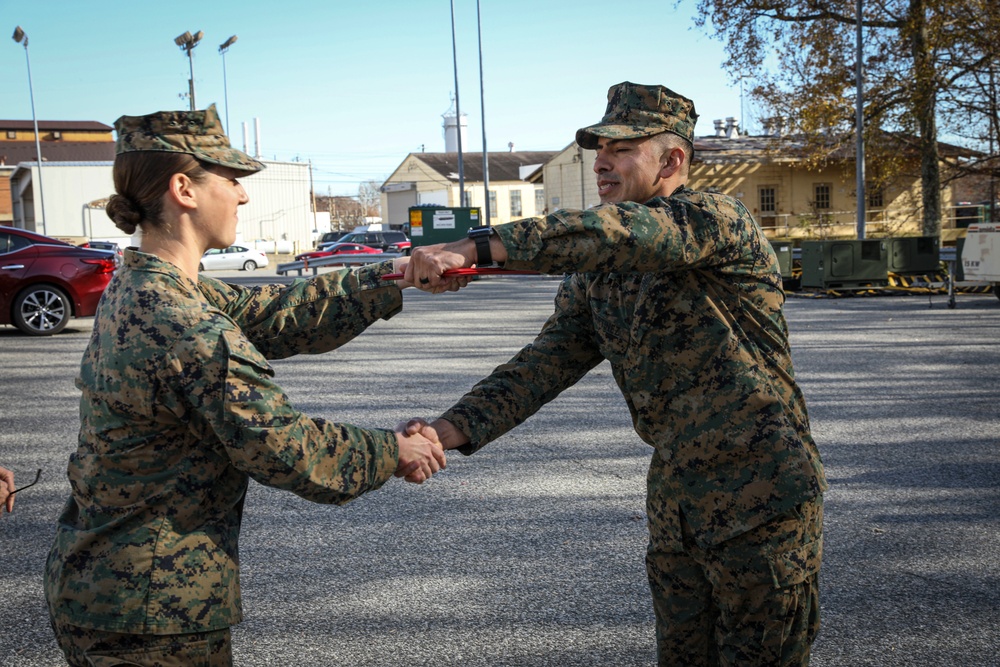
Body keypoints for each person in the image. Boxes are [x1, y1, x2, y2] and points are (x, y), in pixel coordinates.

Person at [405, 82, 827, 666]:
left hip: (762, 501)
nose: (601, 161)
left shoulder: (716, 221)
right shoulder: (598, 276)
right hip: (677, 502)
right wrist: (450, 429)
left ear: (672, 160)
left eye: (623, 148)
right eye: (597, 149)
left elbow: (618, 231)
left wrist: (480, 246)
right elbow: (543, 364)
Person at [44, 104, 450, 666]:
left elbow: (272, 312)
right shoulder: (179, 322)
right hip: (153, 613)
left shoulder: (147, 286)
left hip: (113, 590)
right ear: (184, 189)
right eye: (231, 180)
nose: (242, 195)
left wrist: (393, 274)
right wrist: (395, 450)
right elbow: (284, 446)